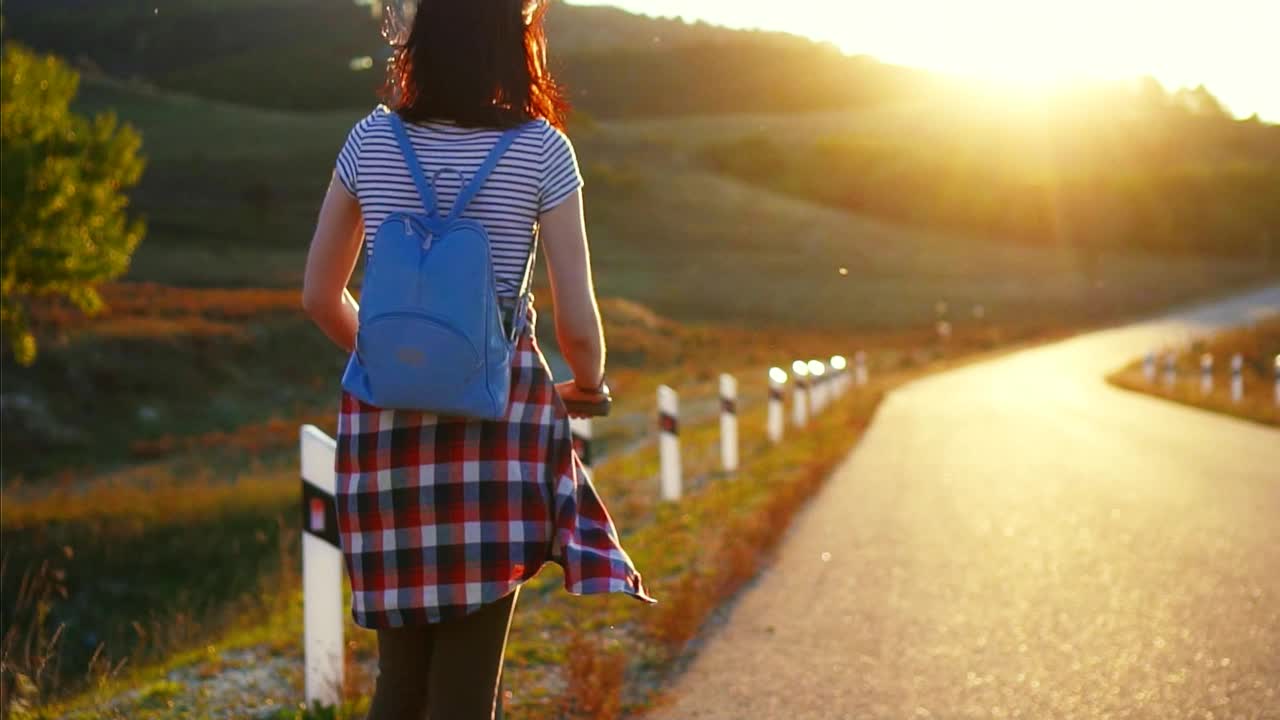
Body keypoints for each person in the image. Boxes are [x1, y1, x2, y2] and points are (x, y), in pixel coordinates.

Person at [301, 1, 653, 717]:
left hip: (383, 433)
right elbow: (576, 322)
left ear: (421, 35)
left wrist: (397, 362)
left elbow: (319, 294)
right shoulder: (541, 150)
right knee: (467, 685)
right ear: (512, 37)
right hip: (498, 426)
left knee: (399, 681)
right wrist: (588, 384)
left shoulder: (369, 141)